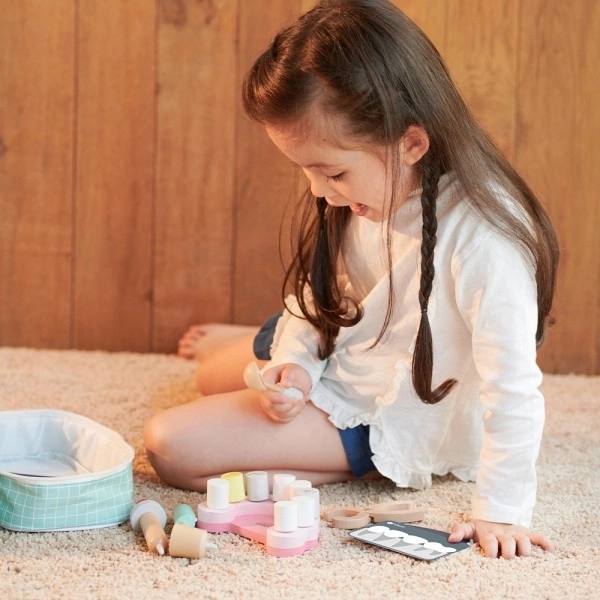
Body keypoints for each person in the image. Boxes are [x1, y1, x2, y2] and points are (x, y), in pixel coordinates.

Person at [144, 0, 559, 559]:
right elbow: (328, 296)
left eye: (333, 171)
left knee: (170, 446)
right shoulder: (365, 188)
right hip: (349, 340)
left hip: (381, 403)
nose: (319, 191)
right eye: (307, 171)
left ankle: (263, 346)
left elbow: (515, 387)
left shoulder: (486, 237)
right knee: (213, 375)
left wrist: (504, 512)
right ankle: (264, 337)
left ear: (412, 142)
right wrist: (297, 362)